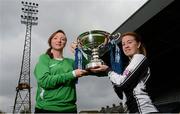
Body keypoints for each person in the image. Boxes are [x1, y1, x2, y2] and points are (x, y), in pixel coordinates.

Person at [89, 32, 159, 113]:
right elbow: (120, 93)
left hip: (143, 111)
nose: (126, 46)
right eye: (123, 44)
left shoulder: (139, 57)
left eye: (129, 42)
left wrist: (108, 70)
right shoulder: (129, 66)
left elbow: (121, 83)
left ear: (138, 44)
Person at [34, 29, 88, 113]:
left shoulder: (70, 62)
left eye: (63, 39)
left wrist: (78, 52)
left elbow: (86, 67)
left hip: (70, 109)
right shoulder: (44, 59)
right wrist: (72, 74)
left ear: (65, 43)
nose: (59, 40)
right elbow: (44, 81)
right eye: (55, 38)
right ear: (50, 41)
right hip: (47, 108)